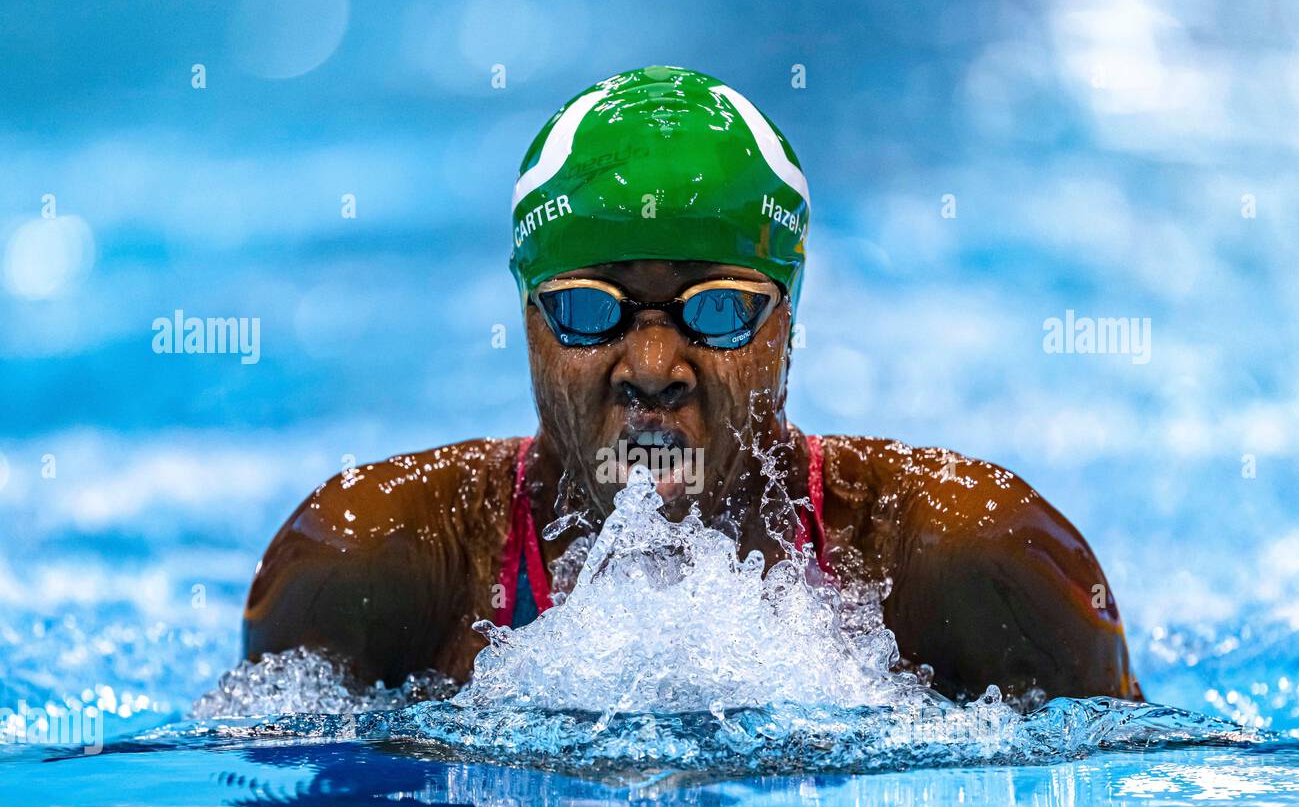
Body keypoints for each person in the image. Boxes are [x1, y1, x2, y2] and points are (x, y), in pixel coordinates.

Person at [243, 65, 1141, 703]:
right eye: (590, 310)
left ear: (785, 323)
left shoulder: (964, 561)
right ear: (526, 320)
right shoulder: (378, 564)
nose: (652, 370)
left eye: (716, 310)